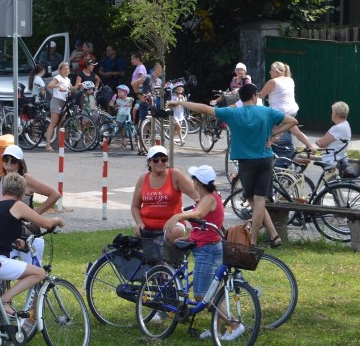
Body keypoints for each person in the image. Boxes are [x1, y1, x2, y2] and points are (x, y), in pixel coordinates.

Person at [169, 83, 297, 245]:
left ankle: (253, 240)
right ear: (254, 96)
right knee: (259, 201)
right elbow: (292, 121)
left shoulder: (233, 113)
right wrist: (273, 133)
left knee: (253, 200)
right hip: (265, 159)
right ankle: (272, 236)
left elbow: (203, 108)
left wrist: (180, 103)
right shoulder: (267, 112)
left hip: (245, 161)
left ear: (241, 99)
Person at [0, 173, 64, 342]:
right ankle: (6, 300)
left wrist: (14, 241)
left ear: (4, 189)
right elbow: (44, 223)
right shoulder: (18, 206)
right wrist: (57, 220)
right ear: (22, 193)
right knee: (39, 273)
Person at [164, 165, 242, 340]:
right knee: (214, 293)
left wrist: (178, 216)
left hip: (207, 250)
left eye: (193, 180)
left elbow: (199, 213)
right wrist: (190, 237)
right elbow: (206, 225)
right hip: (210, 245)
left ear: (197, 182)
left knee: (201, 295)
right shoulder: (211, 197)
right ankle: (217, 330)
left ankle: (235, 325)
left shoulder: (208, 199)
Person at [130, 145, 199, 241]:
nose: (160, 162)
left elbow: (197, 196)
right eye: (155, 160)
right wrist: (139, 223)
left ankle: (172, 255)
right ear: (149, 162)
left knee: (175, 232)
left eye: (163, 159)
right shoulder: (143, 179)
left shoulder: (175, 175)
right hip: (147, 225)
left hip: (172, 224)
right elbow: (135, 206)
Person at [257, 61, 316, 152]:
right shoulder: (290, 79)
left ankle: (268, 146)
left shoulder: (272, 82)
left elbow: (260, 96)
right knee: (293, 130)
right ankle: (310, 146)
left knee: (266, 128)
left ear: (277, 71)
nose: (269, 72)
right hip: (292, 111)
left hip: (280, 113)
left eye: (271, 70)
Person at [314, 101, 352, 171]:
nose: (331, 114)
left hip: (332, 161)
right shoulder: (346, 124)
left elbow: (321, 143)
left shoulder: (336, 128)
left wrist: (316, 141)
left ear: (335, 114)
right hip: (341, 157)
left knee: (329, 181)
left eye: (332, 112)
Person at [44, 62, 72, 152]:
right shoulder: (58, 78)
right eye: (64, 69)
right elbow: (50, 85)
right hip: (57, 101)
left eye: (67, 69)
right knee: (53, 123)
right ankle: (48, 144)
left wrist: (79, 85)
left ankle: (60, 143)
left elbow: (72, 88)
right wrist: (59, 85)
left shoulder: (68, 79)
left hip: (64, 102)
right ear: (60, 70)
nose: (66, 71)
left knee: (61, 124)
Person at [132, 62, 162, 131]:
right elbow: (134, 84)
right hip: (145, 104)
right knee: (144, 123)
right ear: (157, 69)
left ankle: (151, 139)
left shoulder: (159, 81)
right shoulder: (147, 77)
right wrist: (140, 96)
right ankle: (141, 139)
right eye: (161, 69)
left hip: (154, 105)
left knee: (154, 124)